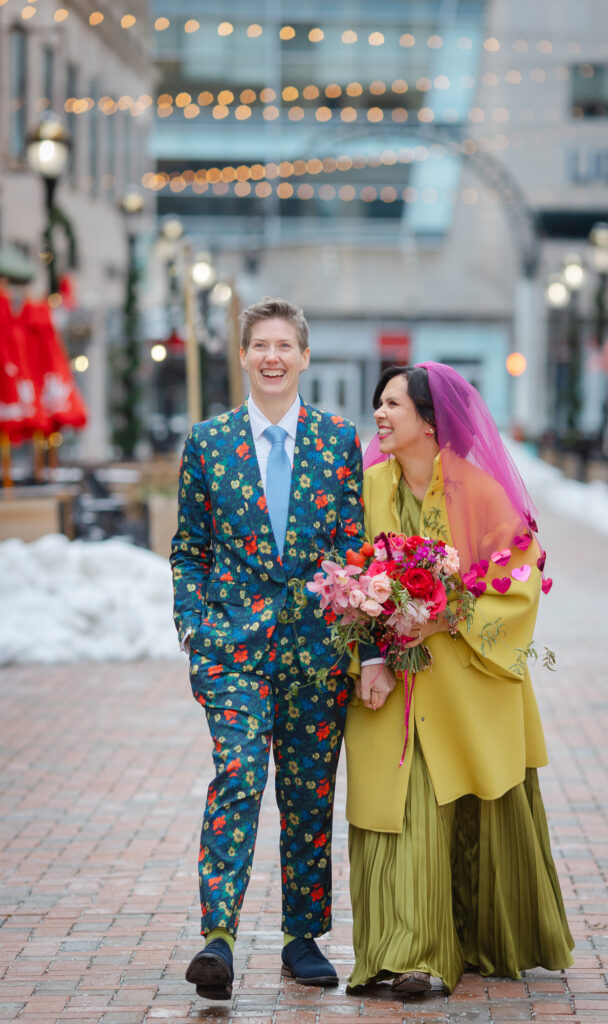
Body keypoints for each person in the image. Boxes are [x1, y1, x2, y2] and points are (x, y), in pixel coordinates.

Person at [344, 362, 574, 995]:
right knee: (398, 808)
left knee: (468, 803)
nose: (381, 416)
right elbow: (348, 574)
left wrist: (442, 613)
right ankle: (405, 953)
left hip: (465, 679)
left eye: (393, 405)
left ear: (429, 420)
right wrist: (373, 648)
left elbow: (517, 579)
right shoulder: (368, 490)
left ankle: (463, 943)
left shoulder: (479, 491)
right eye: (378, 404)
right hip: (390, 682)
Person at [170, 297, 364, 1000]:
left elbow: (354, 551)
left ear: (304, 357)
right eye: (261, 346)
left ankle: (300, 939)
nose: (273, 357)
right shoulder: (209, 442)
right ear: (244, 356)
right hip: (233, 651)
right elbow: (189, 547)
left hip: (315, 651)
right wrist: (193, 622)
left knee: (309, 795)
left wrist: (362, 647)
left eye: (286, 346)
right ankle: (217, 936)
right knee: (241, 775)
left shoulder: (339, 440)